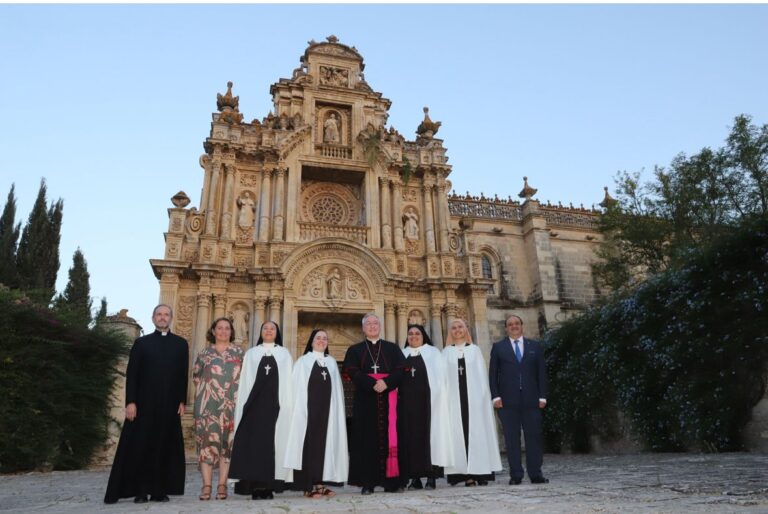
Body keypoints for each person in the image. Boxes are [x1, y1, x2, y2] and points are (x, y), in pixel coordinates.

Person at [104, 304, 188, 504]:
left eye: (166, 314)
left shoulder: (181, 344)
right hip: (143, 405)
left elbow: (182, 376)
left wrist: (182, 400)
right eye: (159, 314)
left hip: (169, 405)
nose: (162, 318)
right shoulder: (142, 343)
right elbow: (132, 375)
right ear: (153, 318)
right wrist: (130, 402)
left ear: (171, 318)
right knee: (141, 447)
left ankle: (159, 489)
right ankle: (140, 490)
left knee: (164, 446)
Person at [228, 321, 293, 499]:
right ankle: (254, 487)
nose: (269, 331)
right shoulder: (252, 353)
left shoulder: (284, 354)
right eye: (265, 328)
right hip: (254, 407)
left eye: (272, 328)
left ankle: (269, 486)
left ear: (277, 332)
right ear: (261, 332)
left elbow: (288, 382)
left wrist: (287, 405)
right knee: (254, 446)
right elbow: (247, 381)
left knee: (273, 445)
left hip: (275, 407)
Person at [343, 312, 405, 495]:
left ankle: (391, 482)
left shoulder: (392, 349)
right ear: (363, 328)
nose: (372, 326)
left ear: (380, 327)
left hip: (389, 401)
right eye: (368, 324)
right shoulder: (354, 350)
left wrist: (387, 383)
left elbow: (402, 369)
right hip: (365, 400)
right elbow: (351, 370)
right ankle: (367, 483)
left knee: (390, 438)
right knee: (365, 441)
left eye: (375, 323)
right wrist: (372, 384)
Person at [284, 329, 348, 498]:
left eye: (324, 338)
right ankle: (307, 485)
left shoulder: (332, 363)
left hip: (327, 413)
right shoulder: (303, 361)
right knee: (308, 447)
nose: (321, 341)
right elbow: (295, 388)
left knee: (324, 447)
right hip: (307, 412)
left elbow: (337, 392)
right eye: (318, 338)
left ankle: (320, 483)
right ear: (311, 341)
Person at [442, 319, 502, 487]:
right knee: (458, 435)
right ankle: (465, 475)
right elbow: (443, 380)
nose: (457, 330)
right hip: (454, 401)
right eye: (453, 328)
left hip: (475, 401)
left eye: (460, 327)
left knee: (478, 435)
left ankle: (481, 473)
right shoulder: (445, 352)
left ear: (466, 329)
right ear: (450, 332)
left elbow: (482, 377)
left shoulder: (475, 350)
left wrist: (483, 399)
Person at [489, 314, 549, 485]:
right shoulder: (498, 347)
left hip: (532, 400)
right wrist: (496, 396)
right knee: (511, 439)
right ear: (506, 328)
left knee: (534, 437)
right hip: (507, 402)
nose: (514, 326)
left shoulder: (535, 346)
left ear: (522, 326)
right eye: (510, 324)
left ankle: (536, 473)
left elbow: (541, 373)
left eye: (516, 323)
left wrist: (543, 396)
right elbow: (493, 374)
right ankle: (516, 475)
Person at [192, 317, 244, 501]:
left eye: (227, 328)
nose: (223, 331)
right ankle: (206, 485)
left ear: (231, 331)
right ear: (213, 331)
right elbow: (196, 377)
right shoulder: (204, 353)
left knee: (228, 445)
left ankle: (222, 484)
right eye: (219, 328)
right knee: (206, 445)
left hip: (232, 406)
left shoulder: (239, 353)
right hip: (208, 407)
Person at [398, 325, 453, 490]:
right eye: (410, 334)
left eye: (417, 333)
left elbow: (441, 379)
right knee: (410, 439)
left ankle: (431, 478)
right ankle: (414, 479)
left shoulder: (433, 353)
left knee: (430, 439)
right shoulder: (402, 354)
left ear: (423, 336)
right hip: (407, 404)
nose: (413, 336)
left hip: (429, 404)